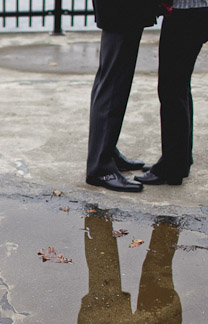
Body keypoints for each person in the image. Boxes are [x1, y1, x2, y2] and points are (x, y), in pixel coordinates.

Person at [86, 0, 165, 193]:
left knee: (112, 80)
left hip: (123, 10)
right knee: (113, 84)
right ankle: (101, 167)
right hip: (121, 9)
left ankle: (106, 153)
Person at [137, 0, 208, 186]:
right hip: (200, 11)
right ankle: (181, 160)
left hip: (186, 15)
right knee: (179, 88)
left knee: (171, 91)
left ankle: (171, 167)